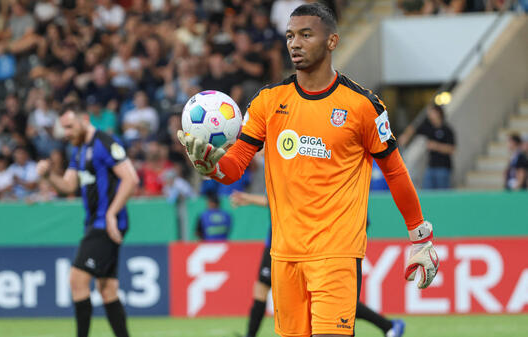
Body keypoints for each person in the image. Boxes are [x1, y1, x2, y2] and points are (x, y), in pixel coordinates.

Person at [178, 3, 439, 337]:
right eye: (289, 36)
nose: (294, 43)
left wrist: (420, 237)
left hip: (336, 254)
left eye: (305, 35)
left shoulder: (362, 106)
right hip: (284, 258)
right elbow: (234, 167)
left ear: (332, 41)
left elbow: (396, 172)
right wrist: (208, 166)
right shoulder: (268, 102)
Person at [230, 191, 406, 337]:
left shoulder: (321, 170)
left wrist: (248, 199)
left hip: (309, 245)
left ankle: (387, 325)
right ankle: (388, 325)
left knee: (328, 299)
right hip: (283, 244)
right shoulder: (284, 163)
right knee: (264, 289)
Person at [36, 103, 139, 337]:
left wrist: (112, 213)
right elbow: (68, 186)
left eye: (70, 127)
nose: (67, 133)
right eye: (64, 129)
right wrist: (48, 175)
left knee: (76, 280)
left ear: (84, 119)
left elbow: (130, 179)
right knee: (107, 289)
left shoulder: (104, 142)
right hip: (95, 224)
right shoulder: (79, 150)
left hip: (106, 224)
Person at [398, 104, 455, 189]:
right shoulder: (429, 128)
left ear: (438, 113)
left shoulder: (447, 130)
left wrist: (436, 146)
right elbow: (414, 128)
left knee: (442, 195)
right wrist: (405, 136)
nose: (429, 115)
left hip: (443, 167)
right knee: (427, 191)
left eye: (431, 112)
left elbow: (452, 149)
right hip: (431, 166)